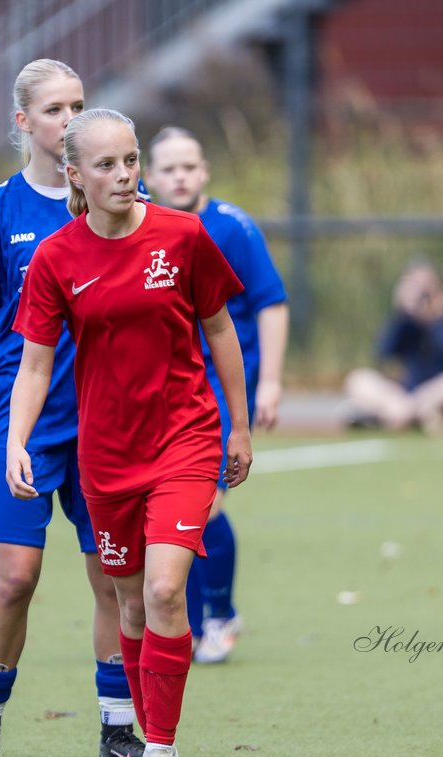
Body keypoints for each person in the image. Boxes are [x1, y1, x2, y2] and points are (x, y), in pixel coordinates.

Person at [7, 108, 253, 757]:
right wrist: (16, 441)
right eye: (107, 165)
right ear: (73, 174)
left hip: (186, 437)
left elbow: (219, 330)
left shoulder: (182, 236)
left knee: (168, 592)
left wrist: (239, 428)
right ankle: (150, 751)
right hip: (107, 457)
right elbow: (34, 364)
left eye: (131, 160)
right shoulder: (57, 258)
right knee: (130, 605)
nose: (124, 175)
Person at [0, 59, 145, 757]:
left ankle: (118, 728)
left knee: (113, 577)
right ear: (23, 122)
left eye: (79, 105)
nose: (69, 119)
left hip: (103, 422)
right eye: (54, 109)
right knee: (16, 577)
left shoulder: (121, 201)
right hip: (18, 420)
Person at [145, 126, 288, 665]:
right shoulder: (144, 228)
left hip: (224, 393)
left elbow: (271, 302)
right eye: (169, 168)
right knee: (176, 508)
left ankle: (220, 616)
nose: (180, 176)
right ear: (149, 178)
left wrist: (269, 382)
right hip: (166, 394)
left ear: (203, 171)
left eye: (189, 166)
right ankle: (195, 614)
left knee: (204, 502)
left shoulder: (232, 227)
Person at [344, 260, 443, 434]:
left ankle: (395, 416)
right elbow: (384, 352)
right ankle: (413, 415)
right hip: (410, 394)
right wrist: (400, 314)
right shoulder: (408, 321)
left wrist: (431, 320)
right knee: (358, 380)